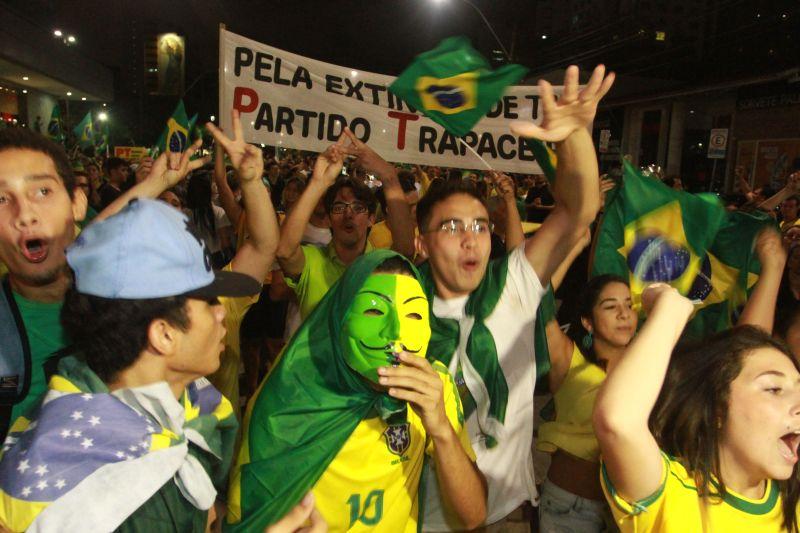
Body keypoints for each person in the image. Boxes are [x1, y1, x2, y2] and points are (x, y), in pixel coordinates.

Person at [419, 64, 615, 531]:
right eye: (451, 227)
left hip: (504, 516)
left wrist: (574, 138)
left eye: (480, 227)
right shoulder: (398, 301)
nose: (471, 240)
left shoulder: (512, 284)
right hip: (420, 516)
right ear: (422, 244)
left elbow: (579, 210)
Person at [0, 198, 256, 531]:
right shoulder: (102, 500)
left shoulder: (195, 404)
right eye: (208, 301)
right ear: (163, 335)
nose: (222, 311)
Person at [226, 250, 486, 532]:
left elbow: (473, 516)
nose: (396, 331)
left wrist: (442, 430)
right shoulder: (290, 397)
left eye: (413, 313)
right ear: (340, 319)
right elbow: (250, 516)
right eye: (374, 310)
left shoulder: (432, 388)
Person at [594, 283, 800, 532]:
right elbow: (618, 421)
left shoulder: (792, 504)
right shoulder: (673, 496)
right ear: (718, 410)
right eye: (774, 389)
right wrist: (670, 310)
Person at [276, 128, 415, 320]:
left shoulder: (382, 264)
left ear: (371, 219)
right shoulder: (313, 261)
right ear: (330, 218)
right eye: (339, 208)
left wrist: (389, 175)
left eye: (358, 208)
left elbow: (406, 249)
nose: (349, 214)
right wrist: (318, 182)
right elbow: (284, 251)